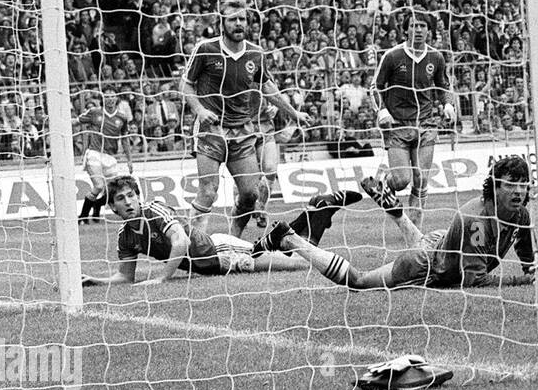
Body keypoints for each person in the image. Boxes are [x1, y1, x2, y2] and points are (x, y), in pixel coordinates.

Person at [268, 156, 536, 291]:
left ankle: (395, 210)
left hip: (440, 244)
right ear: (494, 187)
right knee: (359, 282)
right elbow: (474, 280)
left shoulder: (520, 214)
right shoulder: (477, 219)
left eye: (522, 185)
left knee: (435, 248)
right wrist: (521, 280)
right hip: (425, 266)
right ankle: (289, 238)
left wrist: (532, 268)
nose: (518, 192)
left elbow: (524, 243)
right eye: (510, 185)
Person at [180, 0, 312, 238]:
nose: (238, 24)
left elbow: (268, 87)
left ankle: (232, 239)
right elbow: (186, 85)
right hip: (211, 130)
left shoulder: (255, 53)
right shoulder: (205, 49)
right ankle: (194, 245)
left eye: (242, 19)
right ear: (223, 23)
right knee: (209, 191)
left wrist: (294, 113)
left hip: (242, 132)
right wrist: (199, 110)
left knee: (250, 194)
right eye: (232, 19)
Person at [82, 174, 359, 288]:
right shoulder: (125, 236)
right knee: (281, 252)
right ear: (113, 208)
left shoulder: (154, 210)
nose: (128, 202)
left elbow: (180, 242)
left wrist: (161, 279)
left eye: (131, 196)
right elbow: (125, 276)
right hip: (213, 264)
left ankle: (320, 210)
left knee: (298, 261)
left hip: (222, 252)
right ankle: (312, 214)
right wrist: (94, 281)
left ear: (138, 197)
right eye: (121, 199)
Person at [362, 9, 457, 245]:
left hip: (426, 124)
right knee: (402, 180)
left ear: (429, 30)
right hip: (398, 126)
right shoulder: (393, 56)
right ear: (406, 29)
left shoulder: (436, 57)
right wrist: (381, 110)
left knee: (421, 180)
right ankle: (385, 179)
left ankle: (414, 235)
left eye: (423, 26)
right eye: (414, 25)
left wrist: (447, 104)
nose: (418, 30)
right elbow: (375, 87)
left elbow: (443, 84)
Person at [76, 84, 134, 223]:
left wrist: (129, 160)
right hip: (94, 153)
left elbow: (125, 140)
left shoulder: (122, 117)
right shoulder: (94, 112)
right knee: (99, 186)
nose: (110, 99)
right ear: (103, 98)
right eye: (107, 96)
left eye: (112, 96)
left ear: (116, 98)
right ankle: (83, 217)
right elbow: (76, 121)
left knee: (111, 192)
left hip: (110, 157)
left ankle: (96, 206)